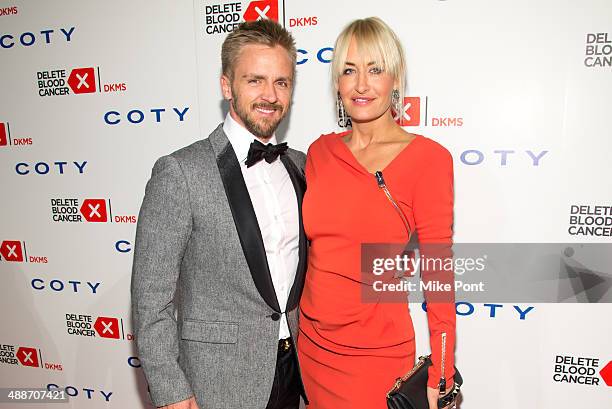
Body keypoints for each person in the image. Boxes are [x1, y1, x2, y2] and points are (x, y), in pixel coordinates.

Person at [131, 19, 308, 409]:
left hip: (297, 373)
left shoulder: (301, 166)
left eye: (281, 82)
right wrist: (172, 392)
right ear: (227, 86)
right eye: (255, 80)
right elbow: (150, 301)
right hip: (218, 382)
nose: (270, 95)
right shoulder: (180, 172)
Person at [297, 17, 457, 409]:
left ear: (396, 78)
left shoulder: (428, 160)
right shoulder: (320, 153)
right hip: (313, 348)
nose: (361, 84)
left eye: (375, 69)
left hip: (376, 356)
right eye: (349, 70)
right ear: (337, 82)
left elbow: (437, 271)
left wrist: (443, 368)